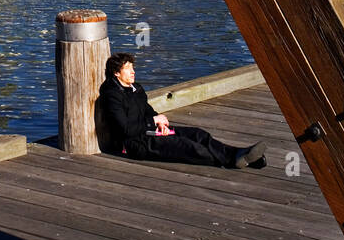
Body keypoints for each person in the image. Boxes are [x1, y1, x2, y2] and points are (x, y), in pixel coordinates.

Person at [100, 52, 267, 170]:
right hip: (135, 144)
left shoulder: (136, 88)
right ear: (116, 73)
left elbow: (147, 110)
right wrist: (153, 122)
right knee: (189, 147)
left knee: (198, 134)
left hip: (151, 132)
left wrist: (159, 124)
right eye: (128, 68)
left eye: (132, 67)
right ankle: (238, 158)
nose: (133, 71)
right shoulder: (112, 96)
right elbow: (125, 129)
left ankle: (240, 156)